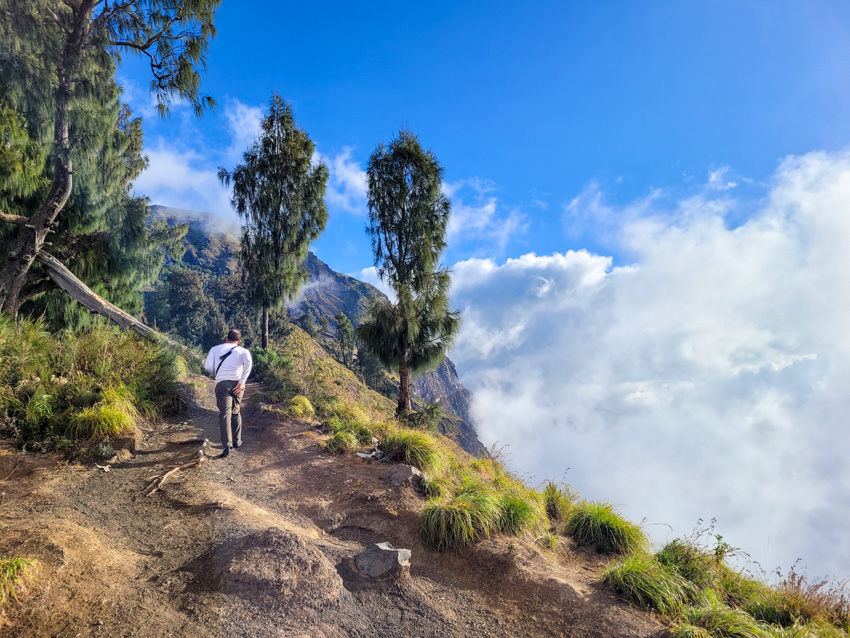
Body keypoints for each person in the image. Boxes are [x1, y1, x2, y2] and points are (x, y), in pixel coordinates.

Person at [204, 328, 253, 458]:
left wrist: (218, 374)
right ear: (239, 341)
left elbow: (207, 367)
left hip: (222, 384)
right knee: (236, 411)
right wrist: (242, 382)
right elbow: (248, 364)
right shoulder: (243, 351)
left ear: (226, 338)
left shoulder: (215, 349)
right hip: (238, 384)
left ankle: (227, 445)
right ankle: (237, 441)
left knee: (225, 414)